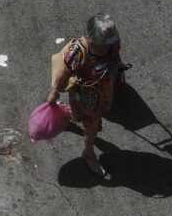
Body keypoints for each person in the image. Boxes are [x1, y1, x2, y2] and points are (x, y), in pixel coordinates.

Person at [48, 14, 129, 176]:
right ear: (91, 37)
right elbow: (64, 71)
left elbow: (116, 54)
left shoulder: (113, 42)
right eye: (105, 40)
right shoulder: (79, 51)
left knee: (84, 121)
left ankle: (72, 120)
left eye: (112, 38)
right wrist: (54, 91)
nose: (110, 43)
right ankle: (89, 154)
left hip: (103, 93)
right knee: (89, 125)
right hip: (82, 97)